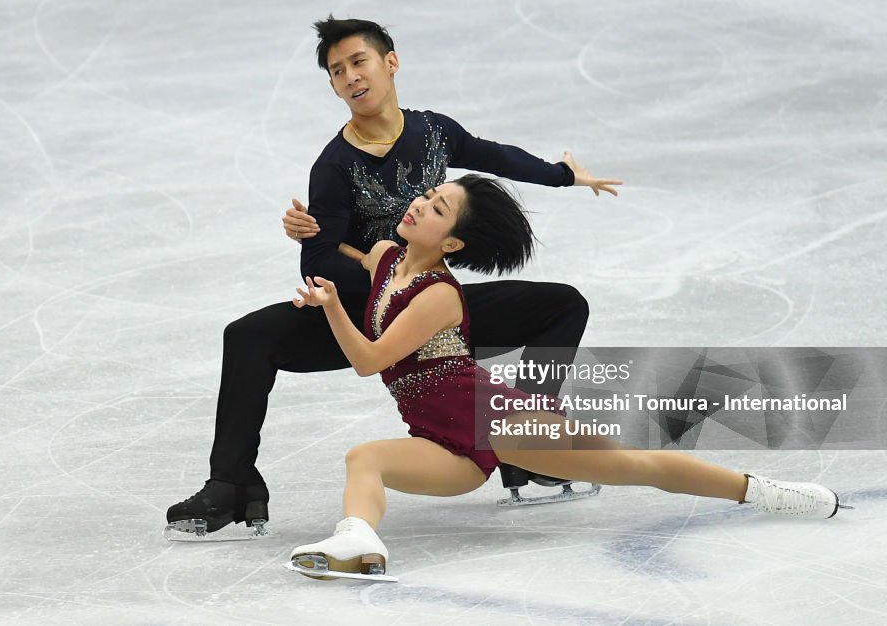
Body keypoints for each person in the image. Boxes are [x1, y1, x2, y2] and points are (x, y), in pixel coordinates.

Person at [166, 16, 623, 538]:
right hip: (368, 315)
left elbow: (494, 156)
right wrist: (371, 263)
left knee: (561, 305)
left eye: (358, 62)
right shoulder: (334, 166)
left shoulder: (433, 132)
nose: (351, 77)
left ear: (390, 62)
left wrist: (564, 175)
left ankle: (527, 444)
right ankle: (230, 485)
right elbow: (317, 264)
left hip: (432, 315)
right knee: (248, 337)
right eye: (337, 72)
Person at [287, 175, 843, 579]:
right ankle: (358, 542)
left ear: (452, 243)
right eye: (429, 197)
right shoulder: (387, 257)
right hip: (440, 440)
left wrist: (332, 305)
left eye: (437, 210)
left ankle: (769, 493)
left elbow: (368, 360)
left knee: (633, 465)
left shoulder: (437, 296)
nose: (419, 206)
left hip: (492, 417)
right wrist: (308, 232)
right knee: (365, 458)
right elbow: (350, 254)